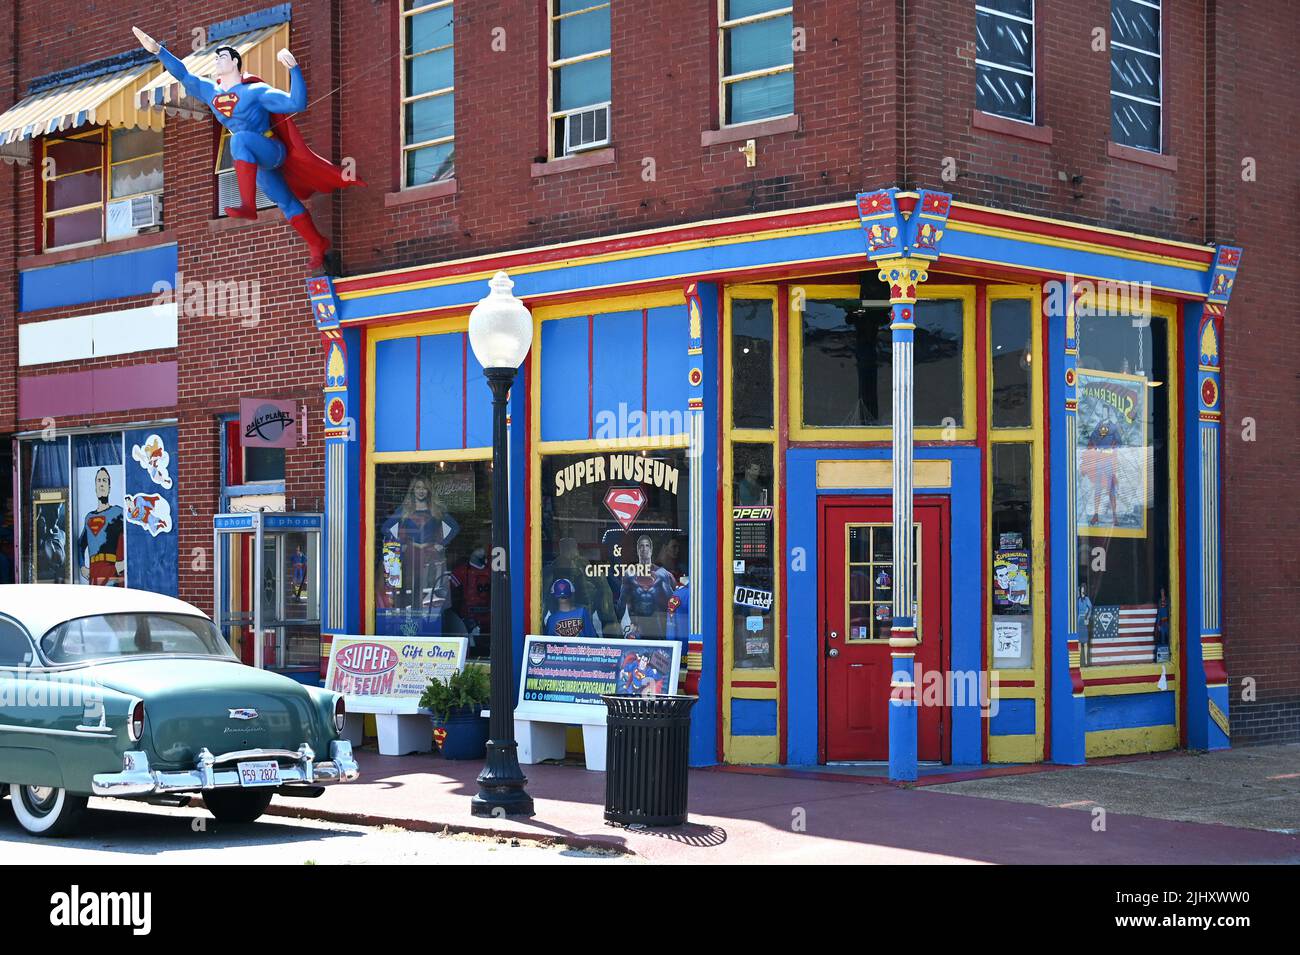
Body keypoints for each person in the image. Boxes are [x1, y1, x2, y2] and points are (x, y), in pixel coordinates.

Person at [132, 26, 363, 270]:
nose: (217, 62)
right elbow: (184, 75)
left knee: (238, 139)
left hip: (271, 149)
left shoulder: (254, 91)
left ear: (234, 63)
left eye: (222, 57)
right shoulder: (211, 91)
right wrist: (158, 50)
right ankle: (317, 244)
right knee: (285, 202)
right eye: (216, 58)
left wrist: (294, 69)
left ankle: (248, 205)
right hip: (255, 160)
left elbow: (297, 103)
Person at [616, 534, 675, 638]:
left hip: (657, 623)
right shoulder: (629, 574)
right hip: (637, 623)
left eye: (647, 546)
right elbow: (622, 602)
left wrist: (672, 628)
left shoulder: (661, 574)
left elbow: (671, 603)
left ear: (651, 550)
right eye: (641, 546)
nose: (644, 549)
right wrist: (619, 628)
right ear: (638, 550)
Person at [78, 468, 124, 586]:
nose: (101, 484)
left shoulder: (118, 512)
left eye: (105, 480)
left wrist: (125, 562)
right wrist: (82, 566)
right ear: (95, 486)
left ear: (109, 487)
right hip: (94, 573)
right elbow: (80, 545)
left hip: (112, 571)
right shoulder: (89, 517)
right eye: (99, 480)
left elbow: (133, 537)